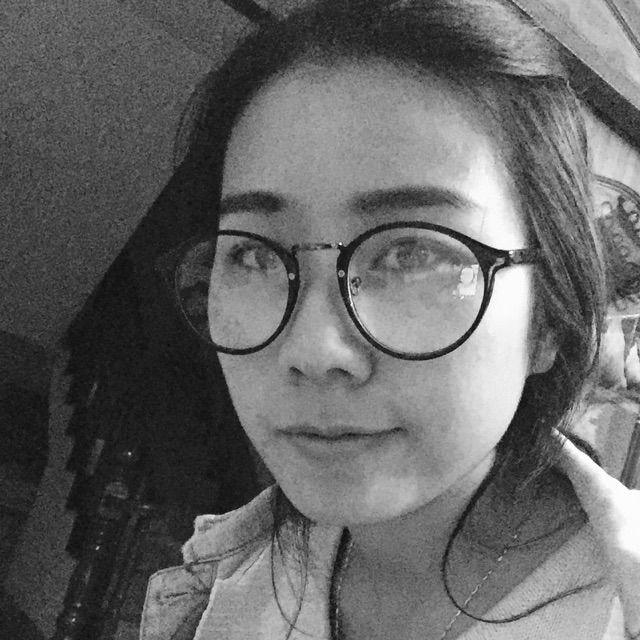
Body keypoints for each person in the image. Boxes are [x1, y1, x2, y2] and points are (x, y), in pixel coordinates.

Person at [139, 0, 640, 638]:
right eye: (253, 254)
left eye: (411, 254)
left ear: (547, 318)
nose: (314, 350)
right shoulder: (220, 592)